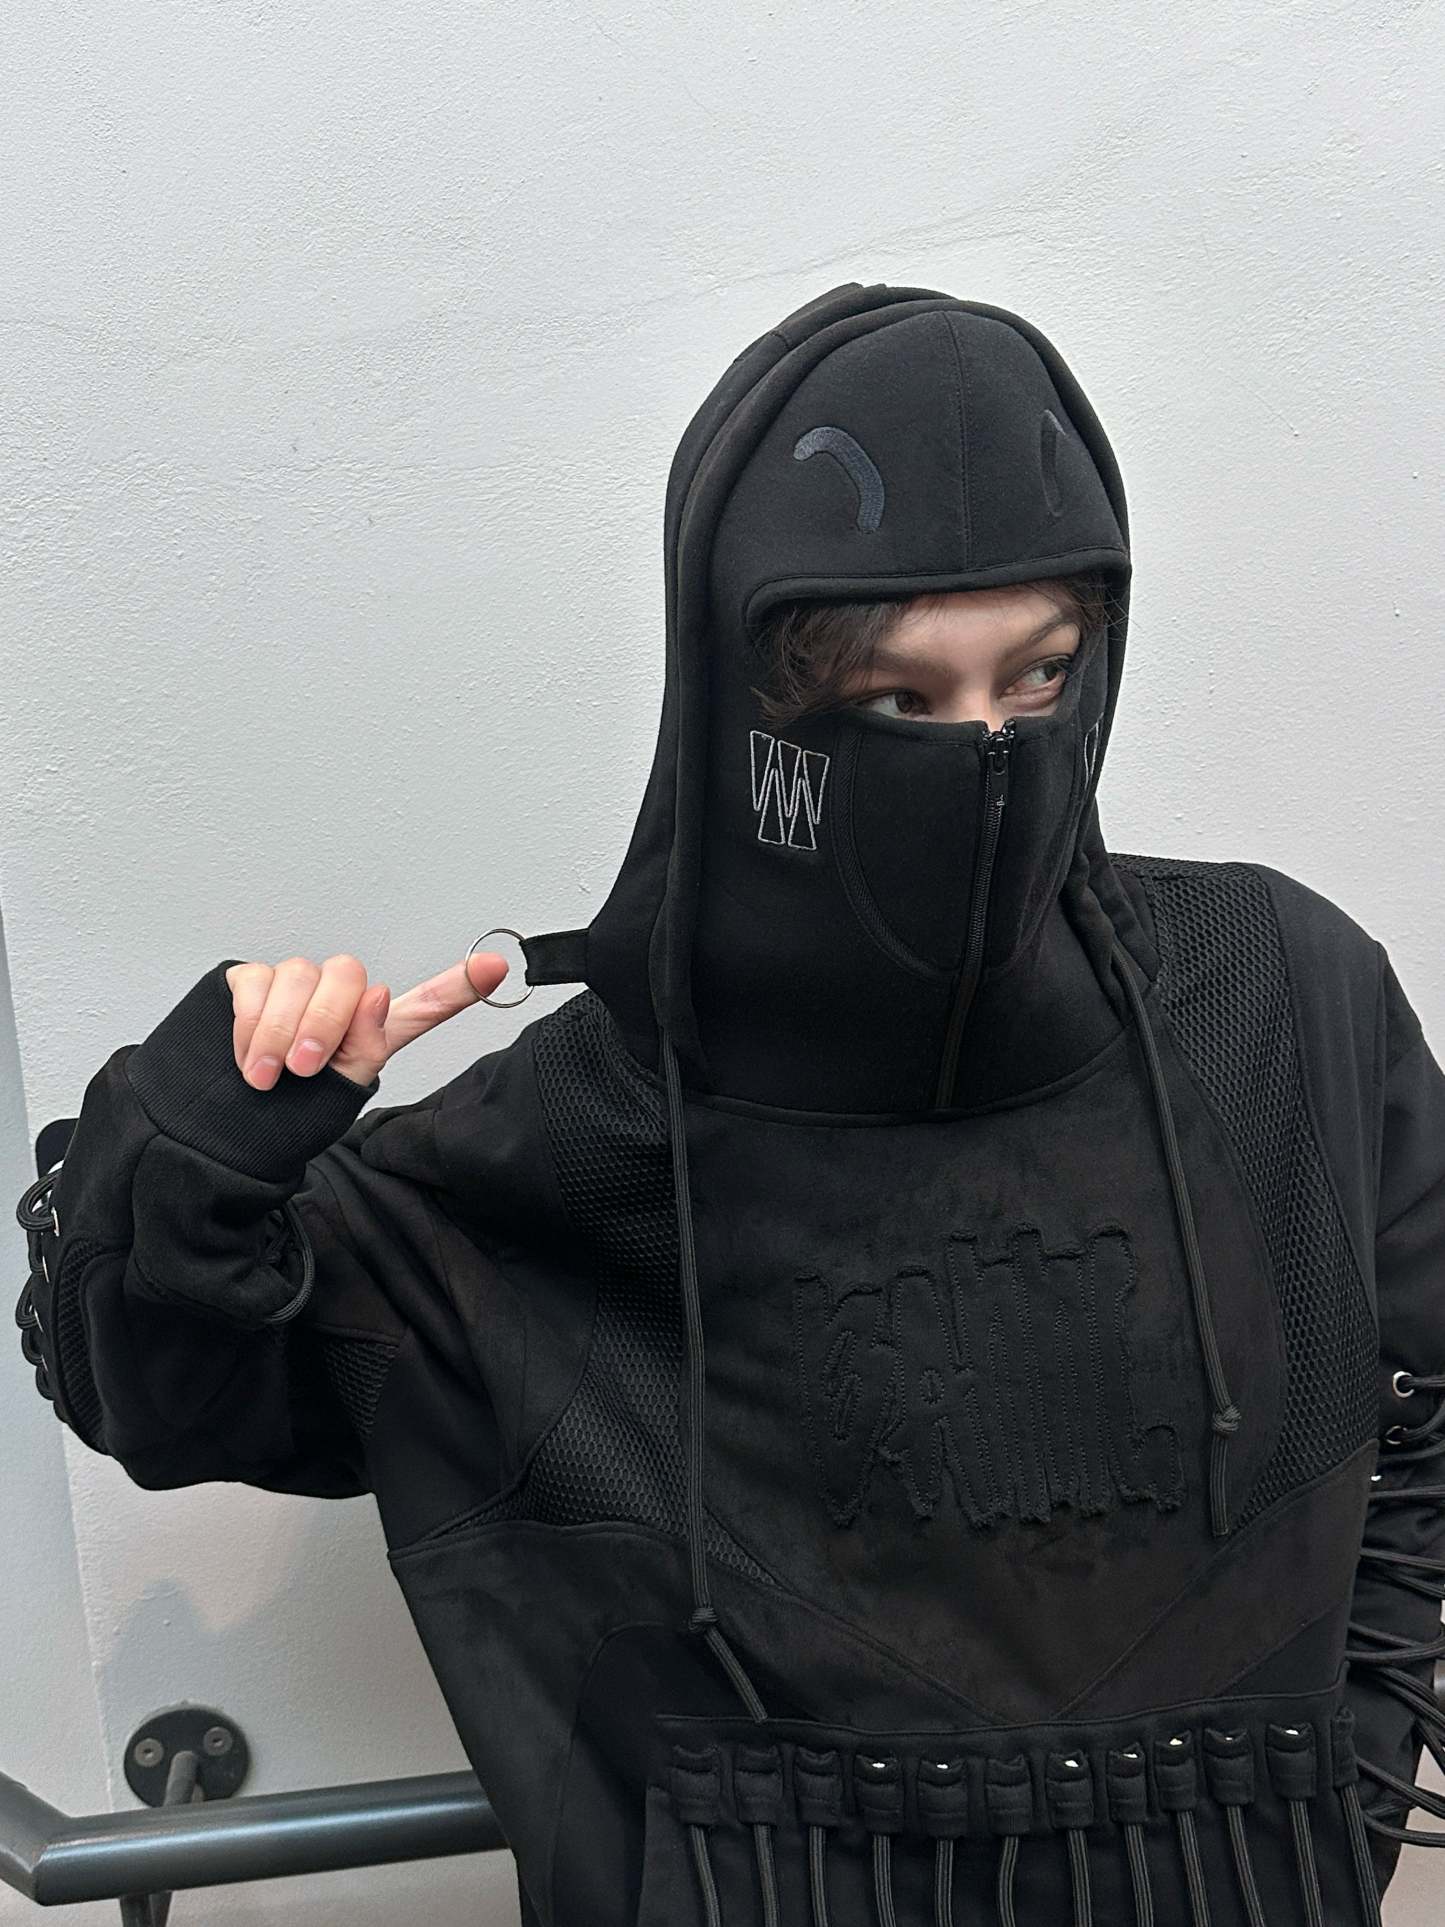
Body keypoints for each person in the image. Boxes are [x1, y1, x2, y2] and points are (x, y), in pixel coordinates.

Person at [15, 279, 1445, 1926]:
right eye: (898, 700)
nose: (985, 755)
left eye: (1039, 676)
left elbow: (1419, 1377)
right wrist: (198, 1140)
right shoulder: (577, 1137)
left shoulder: (1271, 1000)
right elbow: (169, 1395)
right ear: (748, 706)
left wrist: (1340, 1772)